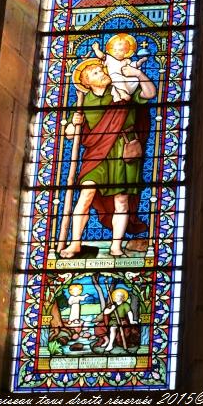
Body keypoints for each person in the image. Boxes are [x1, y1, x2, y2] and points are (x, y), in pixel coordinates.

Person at [60, 58, 156, 258]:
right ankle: (75, 243)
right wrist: (73, 123)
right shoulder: (83, 101)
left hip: (123, 150)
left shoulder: (122, 88)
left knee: (122, 200)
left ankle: (116, 246)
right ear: (87, 83)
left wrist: (138, 75)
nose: (102, 72)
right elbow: (70, 134)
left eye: (101, 69)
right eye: (95, 72)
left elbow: (150, 94)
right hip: (96, 154)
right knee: (86, 195)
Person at [92, 33, 147, 102]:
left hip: (125, 77)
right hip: (114, 76)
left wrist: (139, 62)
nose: (117, 52)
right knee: (117, 79)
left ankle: (122, 94)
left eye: (120, 50)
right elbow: (101, 56)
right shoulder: (109, 58)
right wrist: (96, 49)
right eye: (115, 50)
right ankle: (122, 93)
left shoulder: (126, 61)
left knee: (132, 78)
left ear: (126, 52)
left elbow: (133, 66)